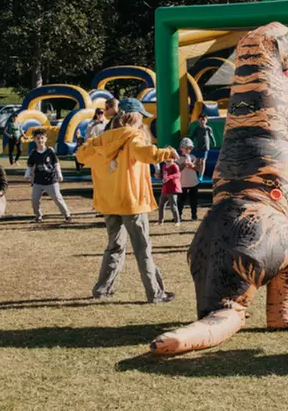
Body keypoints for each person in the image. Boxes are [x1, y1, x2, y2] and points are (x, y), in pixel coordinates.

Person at [76, 100, 177, 304]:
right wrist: (166, 153)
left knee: (114, 247)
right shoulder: (133, 137)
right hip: (131, 202)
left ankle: (102, 289)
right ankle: (155, 293)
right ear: (135, 116)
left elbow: (81, 156)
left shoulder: (103, 138)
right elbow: (145, 153)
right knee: (142, 248)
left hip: (109, 202)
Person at [26, 128, 72, 223]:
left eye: (42, 138)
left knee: (57, 198)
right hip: (38, 181)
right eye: (38, 138)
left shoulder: (50, 152)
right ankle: (38, 216)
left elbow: (56, 163)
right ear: (34, 139)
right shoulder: (33, 153)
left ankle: (67, 215)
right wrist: (27, 174)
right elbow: (30, 165)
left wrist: (59, 174)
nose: (40, 140)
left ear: (45, 139)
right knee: (34, 200)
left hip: (51, 180)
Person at [186, 112, 217, 180]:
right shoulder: (196, 128)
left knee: (203, 161)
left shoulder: (208, 128)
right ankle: (194, 173)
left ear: (206, 120)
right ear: (198, 120)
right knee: (197, 160)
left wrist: (214, 142)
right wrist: (189, 142)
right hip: (198, 146)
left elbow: (211, 136)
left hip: (205, 147)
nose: (202, 121)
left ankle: (201, 175)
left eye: (203, 119)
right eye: (200, 119)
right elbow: (193, 137)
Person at [178, 138, 200, 221]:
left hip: (193, 182)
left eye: (190, 148)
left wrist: (192, 165)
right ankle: (178, 215)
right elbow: (177, 169)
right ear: (181, 148)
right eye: (187, 148)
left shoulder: (193, 157)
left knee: (193, 200)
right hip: (182, 183)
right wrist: (184, 164)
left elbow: (198, 168)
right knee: (181, 200)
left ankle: (194, 215)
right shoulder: (178, 158)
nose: (189, 150)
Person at [157, 154, 182, 224]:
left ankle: (177, 221)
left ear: (174, 159)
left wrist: (169, 177)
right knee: (161, 205)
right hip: (165, 188)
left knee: (173, 206)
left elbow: (178, 175)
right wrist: (159, 176)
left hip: (172, 188)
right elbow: (164, 176)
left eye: (170, 158)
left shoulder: (175, 166)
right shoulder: (164, 166)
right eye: (166, 158)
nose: (168, 160)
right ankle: (160, 221)